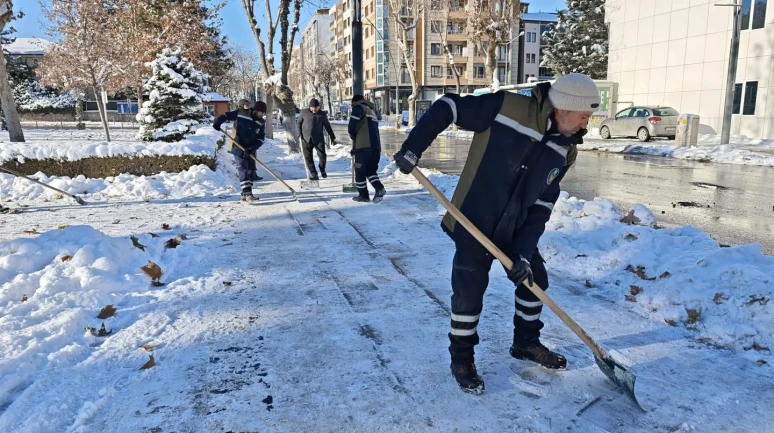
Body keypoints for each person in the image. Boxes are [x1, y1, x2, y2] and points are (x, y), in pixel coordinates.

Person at [393, 73, 599, 395]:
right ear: (565, 108)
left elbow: (542, 206)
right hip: (473, 219)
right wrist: (413, 148)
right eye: (584, 115)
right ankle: (462, 359)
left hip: (514, 229)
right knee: (469, 291)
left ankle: (525, 343)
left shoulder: (565, 150)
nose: (587, 124)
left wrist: (522, 253)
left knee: (534, 282)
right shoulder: (506, 107)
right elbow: (448, 106)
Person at [213, 99, 266, 202]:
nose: (261, 115)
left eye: (263, 114)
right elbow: (226, 115)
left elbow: (260, 139)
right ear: (255, 110)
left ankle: (244, 193)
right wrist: (218, 122)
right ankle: (248, 193)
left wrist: (252, 149)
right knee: (242, 168)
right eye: (261, 113)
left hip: (250, 149)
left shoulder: (261, 122)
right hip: (238, 146)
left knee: (250, 171)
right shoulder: (241, 113)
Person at [348, 95, 385, 203]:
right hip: (376, 147)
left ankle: (363, 195)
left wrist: (353, 136)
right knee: (370, 171)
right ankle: (379, 188)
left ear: (354, 102)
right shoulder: (372, 111)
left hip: (364, 146)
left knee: (359, 171)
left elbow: (352, 127)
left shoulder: (358, 107)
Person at [297, 98, 336, 180]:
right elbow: (299, 123)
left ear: (318, 107)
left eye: (316, 107)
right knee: (308, 158)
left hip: (318, 138)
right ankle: (314, 174)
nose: (314, 109)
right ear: (310, 107)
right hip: (306, 138)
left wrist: (332, 137)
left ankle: (322, 169)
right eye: (312, 107)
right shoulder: (304, 112)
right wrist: (299, 133)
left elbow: (327, 126)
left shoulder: (322, 114)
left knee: (322, 156)